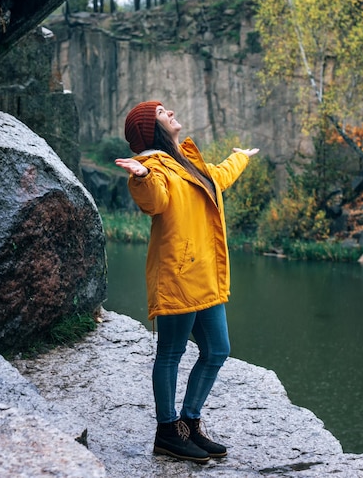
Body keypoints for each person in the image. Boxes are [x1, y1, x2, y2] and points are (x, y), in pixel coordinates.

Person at [115, 100, 259, 464]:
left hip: (204, 275)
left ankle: (189, 422)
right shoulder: (153, 167)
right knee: (171, 353)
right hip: (178, 275)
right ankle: (168, 431)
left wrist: (240, 157)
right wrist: (141, 177)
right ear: (152, 129)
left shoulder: (185, 159)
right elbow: (156, 200)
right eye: (162, 112)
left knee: (217, 350)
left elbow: (217, 178)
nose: (171, 112)